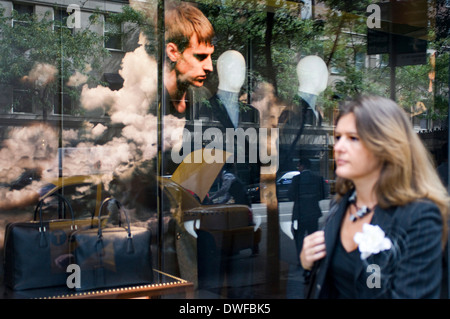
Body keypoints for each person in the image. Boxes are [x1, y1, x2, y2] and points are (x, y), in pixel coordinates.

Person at [300, 95, 449, 299]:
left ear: (385, 145)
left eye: (353, 138)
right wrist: (310, 265)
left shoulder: (419, 217)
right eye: (338, 137)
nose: (339, 147)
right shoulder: (343, 204)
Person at [163, 1, 215, 119]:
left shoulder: (203, 95)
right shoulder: (149, 95)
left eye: (210, 56)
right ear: (173, 52)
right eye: (200, 57)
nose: (209, 67)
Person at [288, 158, 326, 259]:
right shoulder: (317, 178)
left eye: (298, 166)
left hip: (300, 212)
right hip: (313, 212)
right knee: (313, 236)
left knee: (299, 237)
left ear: (302, 166)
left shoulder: (296, 179)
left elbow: (290, 196)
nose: (298, 168)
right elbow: (323, 195)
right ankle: (313, 258)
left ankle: (301, 258)